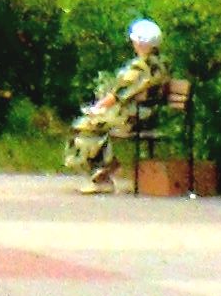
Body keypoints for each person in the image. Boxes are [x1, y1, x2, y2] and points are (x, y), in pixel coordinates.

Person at [66, 20, 182, 192]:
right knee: (94, 124)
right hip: (148, 115)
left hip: (134, 116)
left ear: (140, 43)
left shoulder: (139, 67)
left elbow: (118, 93)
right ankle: (104, 168)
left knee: (85, 125)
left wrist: (97, 108)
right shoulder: (162, 63)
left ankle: (103, 172)